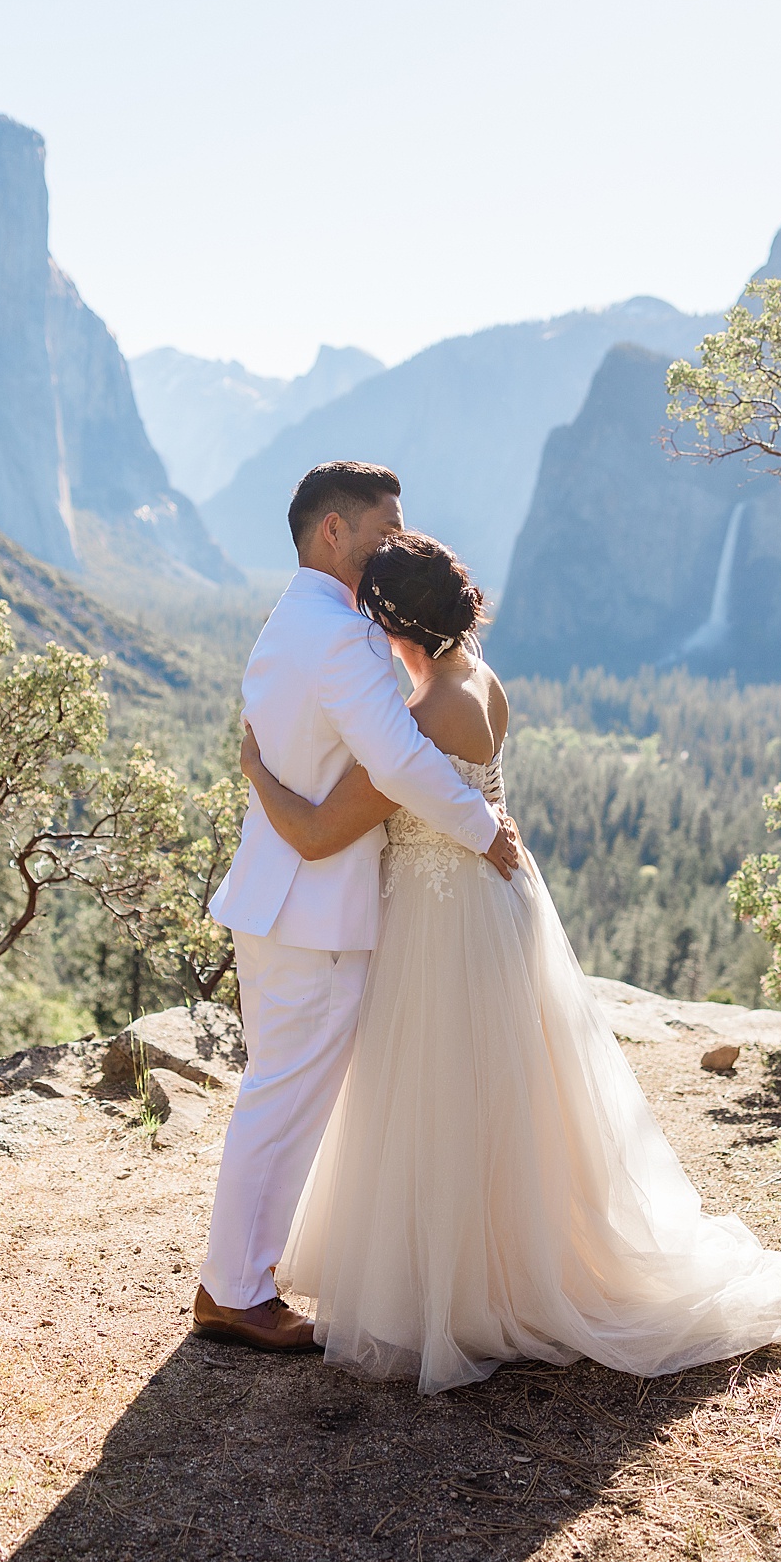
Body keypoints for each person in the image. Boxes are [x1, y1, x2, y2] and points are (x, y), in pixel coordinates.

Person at [238, 529, 781, 1393]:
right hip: (498, 905)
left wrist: (258, 769)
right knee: (507, 1095)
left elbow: (324, 831)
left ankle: (460, 1293)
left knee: (443, 1095)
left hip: (442, 922)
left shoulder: (419, 717)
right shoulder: (479, 681)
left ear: (389, 620)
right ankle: (507, 1261)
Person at [193, 463, 524, 1351]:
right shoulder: (340, 635)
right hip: (314, 906)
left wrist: (260, 776)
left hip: (284, 897)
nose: (388, 553)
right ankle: (233, 1290)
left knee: (281, 1094)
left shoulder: (295, 617)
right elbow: (399, 761)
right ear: (332, 530)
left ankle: (242, 1278)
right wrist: (482, 825)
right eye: (382, 533)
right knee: (283, 1099)